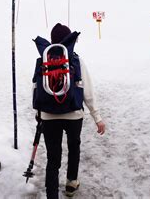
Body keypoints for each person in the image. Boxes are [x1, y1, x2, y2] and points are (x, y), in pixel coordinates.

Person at [33, 23, 105, 198]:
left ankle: (52, 195)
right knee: (74, 147)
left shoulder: (42, 60)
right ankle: (71, 183)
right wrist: (97, 117)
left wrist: (40, 114)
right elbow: (87, 90)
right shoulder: (75, 59)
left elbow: (36, 89)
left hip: (49, 115)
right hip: (74, 114)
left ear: (51, 40)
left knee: (53, 157)